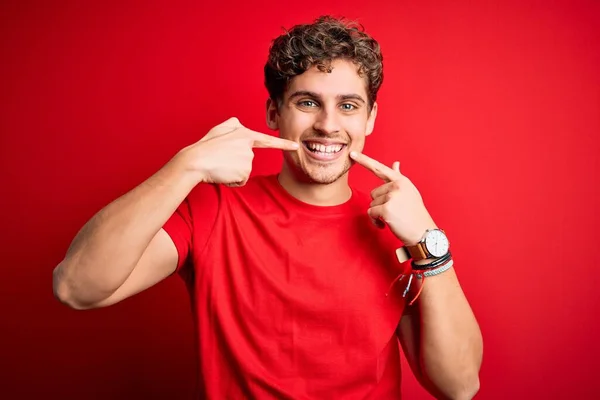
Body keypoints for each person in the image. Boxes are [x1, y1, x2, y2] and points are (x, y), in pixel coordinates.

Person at [53, 15, 483, 400]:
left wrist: (429, 239)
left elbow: (459, 387)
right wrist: (186, 165)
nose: (328, 124)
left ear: (369, 118)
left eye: (348, 106)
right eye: (308, 102)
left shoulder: (402, 233)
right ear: (273, 113)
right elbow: (77, 288)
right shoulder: (213, 207)